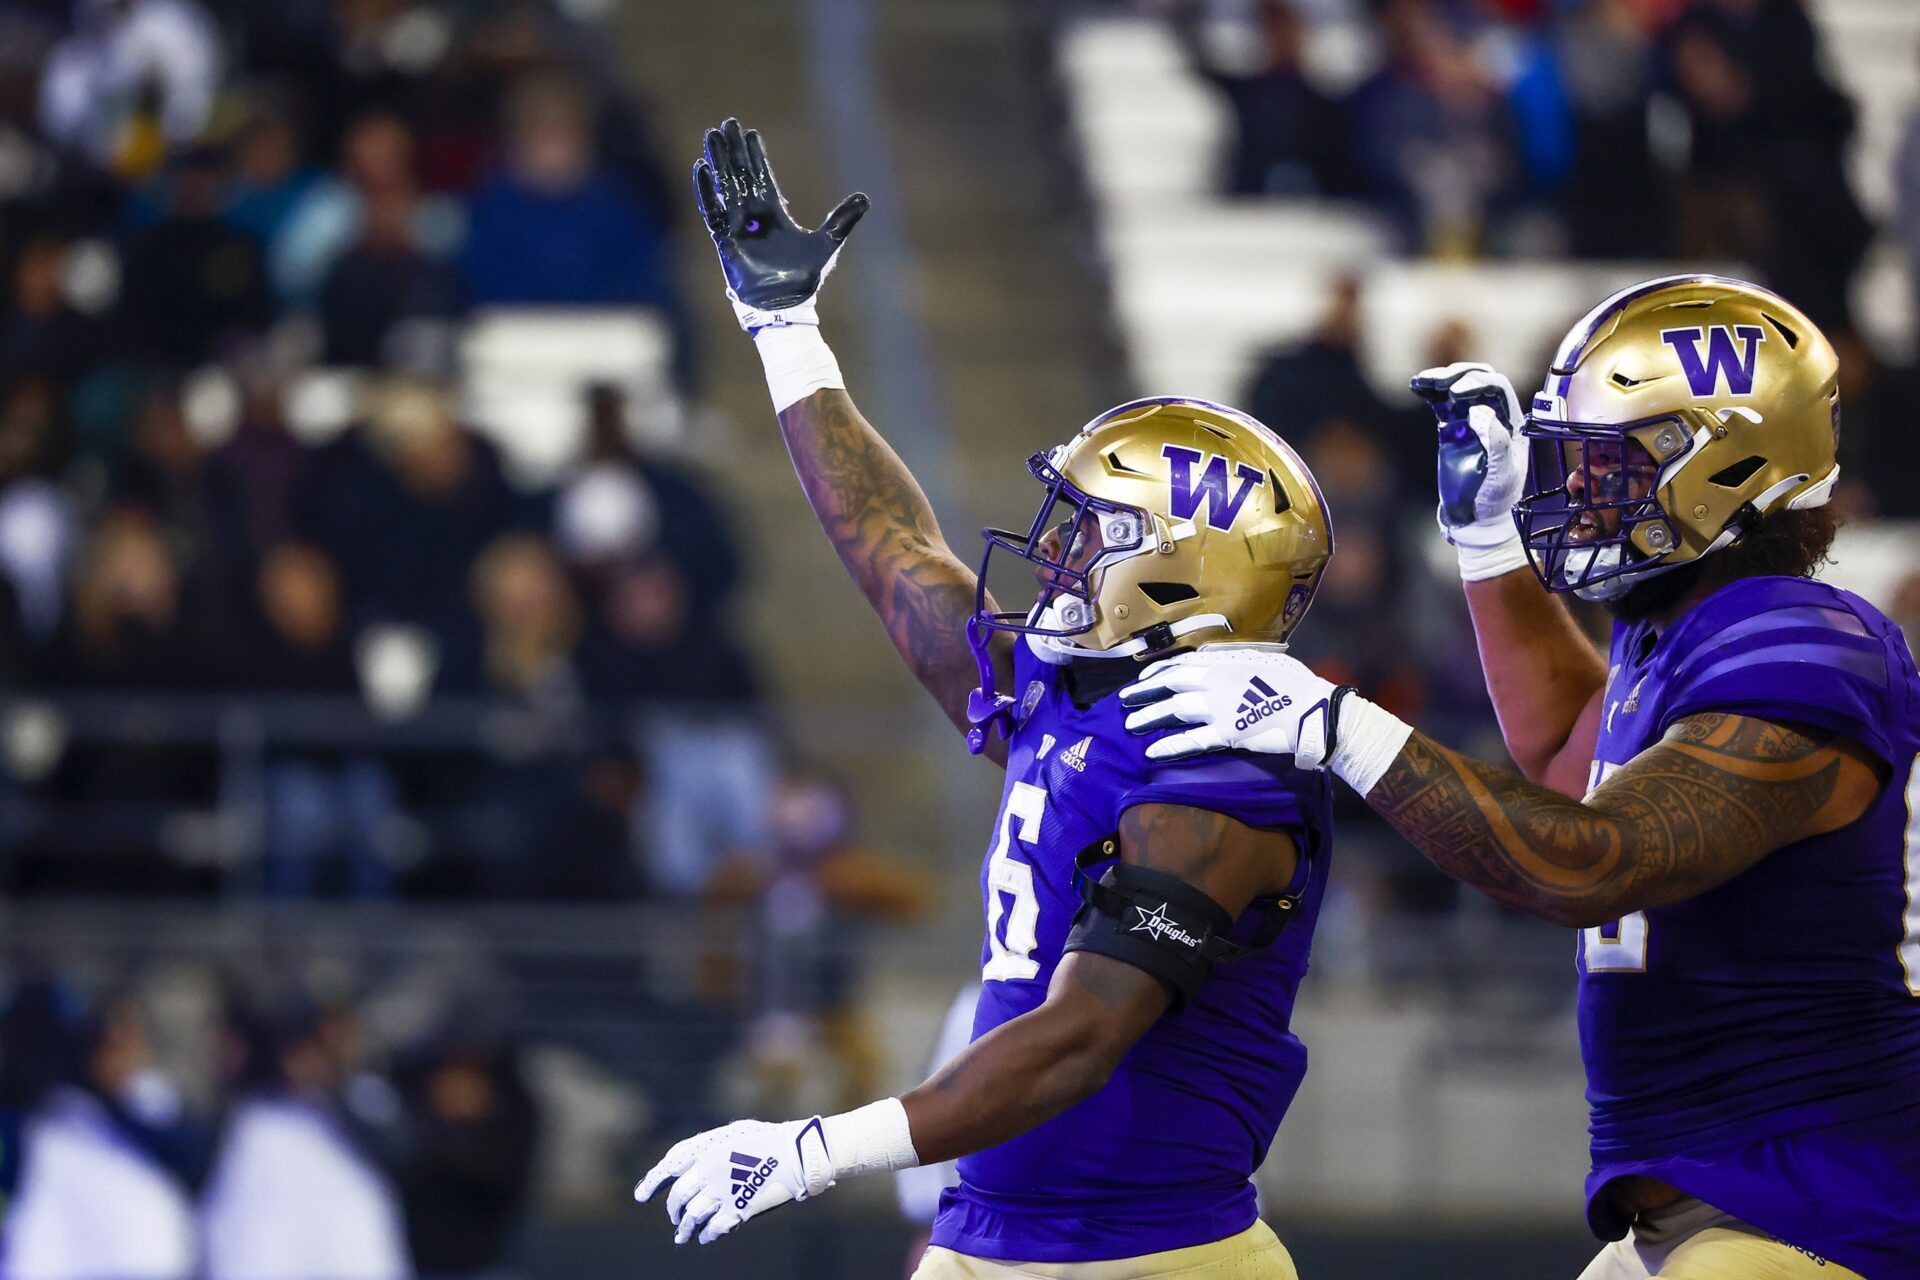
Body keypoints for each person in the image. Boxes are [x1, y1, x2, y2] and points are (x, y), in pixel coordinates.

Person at [635, 118, 1335, 1280]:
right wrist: (785, 331)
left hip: (1150, 1254)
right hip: (989, 1233)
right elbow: (892, 547)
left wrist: (818, 1147)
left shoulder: (1222, 778)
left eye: (1092, 532)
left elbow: (1077, 1039)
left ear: (1183, 571)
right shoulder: (1070, 690)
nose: (1054, 554)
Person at [1117, 275, 1920, 1279]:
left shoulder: (1803, 642)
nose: (1578, 488)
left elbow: (1595, 862)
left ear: (1726, 468)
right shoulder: (1688, 632)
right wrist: (1490, 545)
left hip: (1820, 1213)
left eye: (1612, 463)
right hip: (1730, 1205)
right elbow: (1570, 758)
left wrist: (1340, 725)